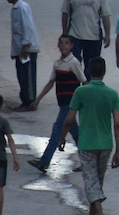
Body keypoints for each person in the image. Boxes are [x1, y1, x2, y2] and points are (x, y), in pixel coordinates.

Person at [61, 56, 119, 215]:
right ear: (104, 72)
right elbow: (117, 123)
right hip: (106, 144)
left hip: (87, 143)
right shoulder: (112, 94)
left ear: (88, 72)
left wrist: (62, 138)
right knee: (97, 182)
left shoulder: (81, 92)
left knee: (91, 182)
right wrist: (118, 150)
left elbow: (69, 119)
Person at [31, 35, 85, 172]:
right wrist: (38, 99)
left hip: (70, 103)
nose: (63, 46)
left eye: (66, 43)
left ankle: (44, 161)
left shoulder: (73, 62)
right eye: (61, 43)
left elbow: (83, 81)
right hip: (63, 103)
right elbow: (51, 82)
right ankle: (88, 161)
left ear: (71, 46)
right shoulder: (57, 64)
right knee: (76, 133)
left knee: (57, 130)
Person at [62, 0, 112, 64]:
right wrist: (65, 33)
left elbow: (105, 15)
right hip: (74, 36)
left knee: (91, 68)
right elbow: (65, 13)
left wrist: (107, 35)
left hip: (94, 37)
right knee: (74, 66)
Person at [5, 0, 41, 111]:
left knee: (28, 77)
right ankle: (25, 100)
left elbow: (28, 27)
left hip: (27, 49)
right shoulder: (16, 8)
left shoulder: (22, 8)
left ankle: (30, 102)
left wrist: (26, 45)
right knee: (21, 76)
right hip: (20, 49)